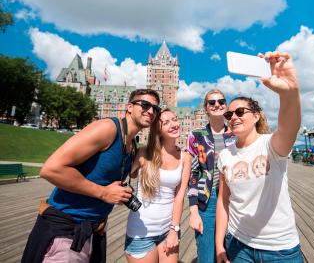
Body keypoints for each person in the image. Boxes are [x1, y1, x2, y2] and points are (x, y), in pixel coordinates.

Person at [22, 89, 161, 263]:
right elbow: (51, 169)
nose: (151, 111)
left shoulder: (132, 144)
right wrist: (103, 193)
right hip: (66, 231)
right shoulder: (108, 128)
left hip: (93, 231)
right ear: (130, 107)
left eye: (155, 109)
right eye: (145, 105)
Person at [215, 51, 303, 262]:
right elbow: (223, 200)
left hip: (279, 248)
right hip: (238, 244)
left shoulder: (271, 144)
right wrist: (219, 244)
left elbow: (290, 126)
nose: (233, 117)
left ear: (256, 116)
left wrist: (289, 93)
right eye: (229, 115)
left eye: (240, 112)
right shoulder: (225, 155)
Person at [125, 108, 191, 263]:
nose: (173, 124)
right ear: (158, 130)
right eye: (166, 122)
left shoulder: (185, 158)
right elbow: (123, 175)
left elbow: (179, 196)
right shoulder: (143, 154)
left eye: (174, 119)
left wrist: (175, 229)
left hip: (168, 229)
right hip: (140, 231)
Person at [187, 89, 236, 263]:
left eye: (221, 101)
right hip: (205, 200)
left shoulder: (235, 135)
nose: (217, 105)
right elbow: (193, 173)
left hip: (233, 200)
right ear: (206, 108)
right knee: (206, 253)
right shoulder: (196, 136)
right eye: (212, 102)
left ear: (226, 105)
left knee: (229, 252)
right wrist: (193, 210)